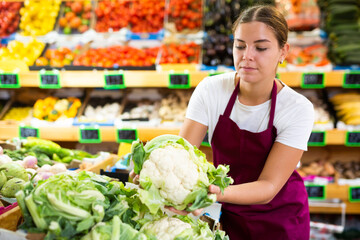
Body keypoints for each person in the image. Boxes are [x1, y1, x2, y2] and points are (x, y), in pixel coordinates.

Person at [176, 4, 315, 240]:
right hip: (226, 214)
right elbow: (180, 154)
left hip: (280, 221)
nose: (247, 56)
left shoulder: (297, 108)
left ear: (283, 52)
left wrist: (213, 193)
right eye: (239, 46)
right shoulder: (211, 90)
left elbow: (269, 187)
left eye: (260, 48)